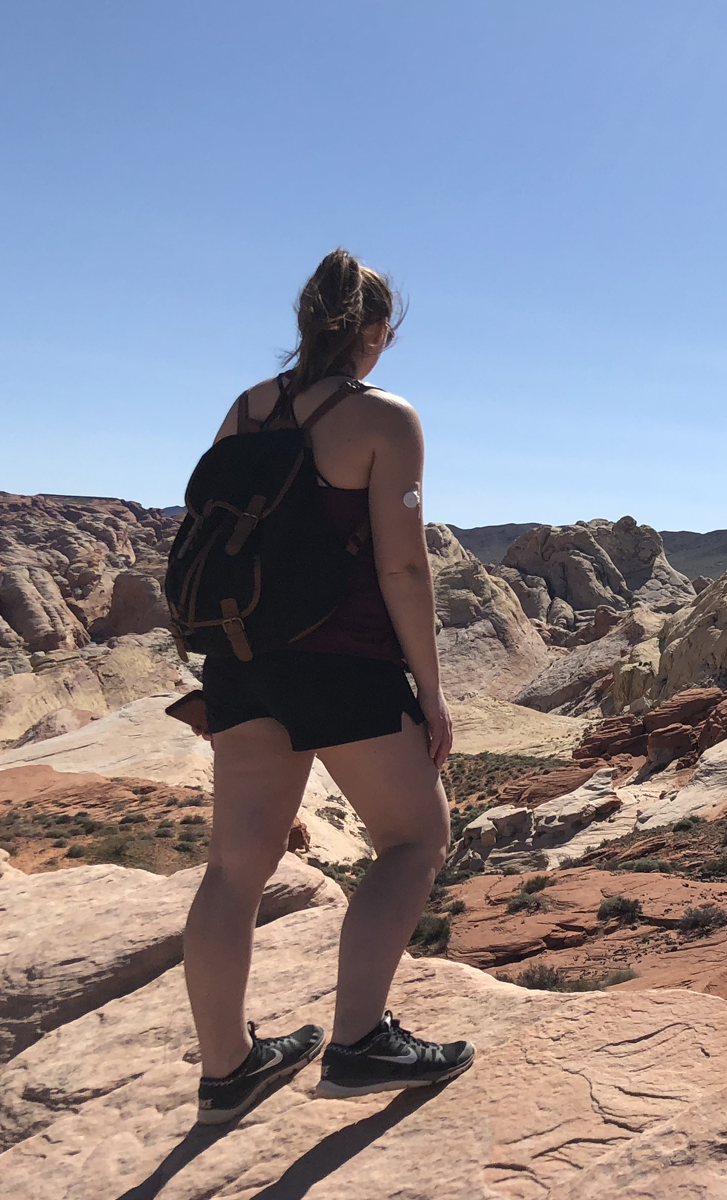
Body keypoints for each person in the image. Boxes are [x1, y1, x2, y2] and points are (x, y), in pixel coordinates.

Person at [180, 249, 473, 1125]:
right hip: (342, 662)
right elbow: (403, 565)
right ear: (378, 333)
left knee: (235, 868)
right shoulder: (384, 417)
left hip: (241, 659)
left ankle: (228, 1068)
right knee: (415, 839)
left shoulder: (248, 409)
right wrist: (431, 688)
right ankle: (357, 1044)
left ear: (306, 325)